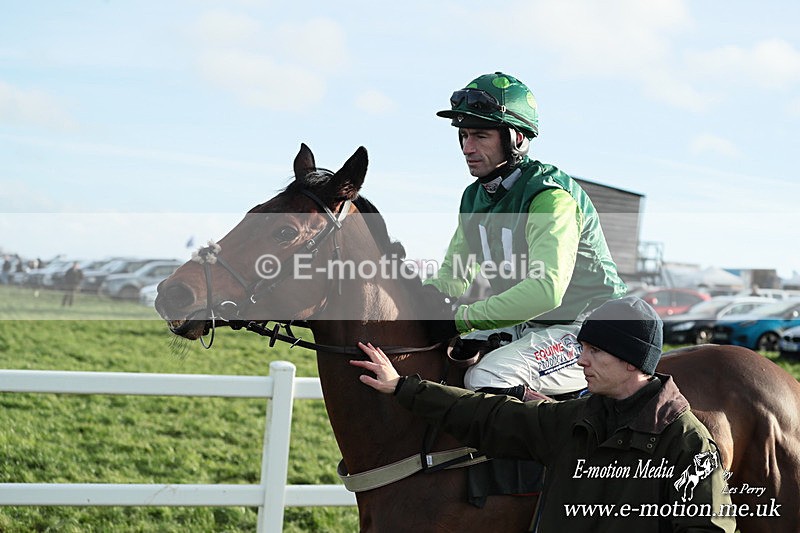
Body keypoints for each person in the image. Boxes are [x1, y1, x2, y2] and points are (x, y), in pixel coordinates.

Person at [352, 297, 735, 532]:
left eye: (595, 351)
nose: (581, 360)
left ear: (632, 361)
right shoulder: (573, 420)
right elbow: (486, 414)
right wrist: (402, 386)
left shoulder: (688, 444)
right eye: (582, 348)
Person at [423, 71, 627, 400]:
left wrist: (462, 318)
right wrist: (413, 300)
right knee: (445, 357)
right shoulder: (473, 198)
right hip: (536, 325)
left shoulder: (550, 197)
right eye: (463, 135)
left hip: (594, 330)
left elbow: (546, 291)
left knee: (486, 376)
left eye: (480, 135)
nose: (467, 147)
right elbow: (454, 275)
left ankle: (567, 432)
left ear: (516, 139)